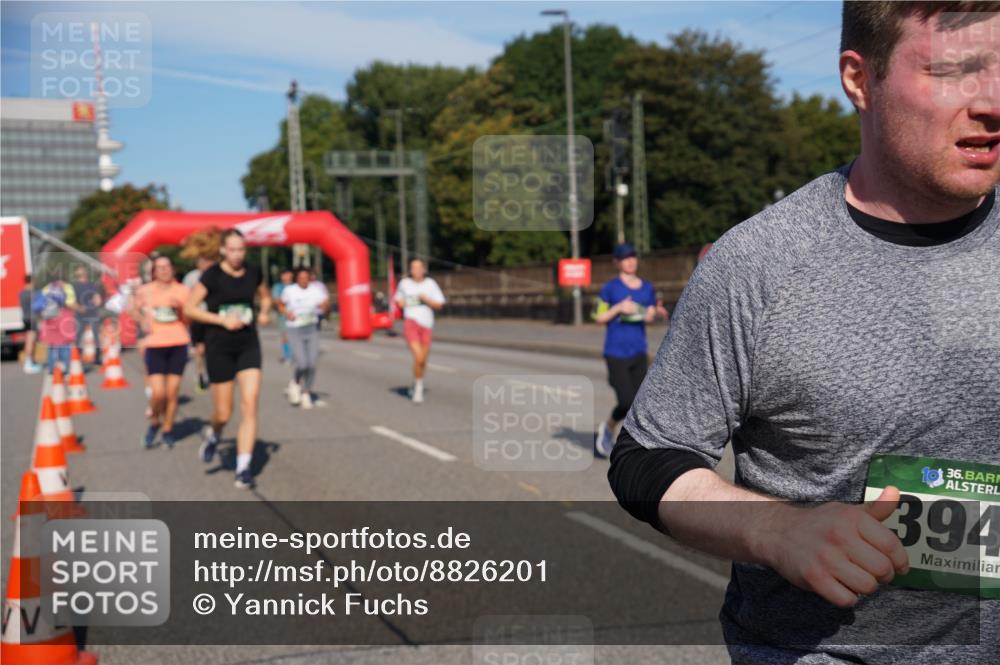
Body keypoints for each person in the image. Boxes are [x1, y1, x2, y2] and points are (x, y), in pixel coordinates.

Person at [608, 3, 1000, 663]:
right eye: (956, 71)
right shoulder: (759, 264)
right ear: (859, 79)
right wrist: (776, 531)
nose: (991, 101)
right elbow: (647, 457)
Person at [184, 229, 271, 489]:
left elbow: (265, 296)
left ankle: (243, 468)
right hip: (219, 346)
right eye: (232, 250)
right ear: (222, 250)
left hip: (248, 344)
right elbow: (189, 309)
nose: (237, 255)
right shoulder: (211, 276)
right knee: (223, 413)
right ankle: (214, 434)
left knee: (250, 402)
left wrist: (265, 311)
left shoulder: (254, 272)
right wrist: (222, 320)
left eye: (241, 250)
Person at [592, 243, 667, 458]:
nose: (630, 261)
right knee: (626, 401)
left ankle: (632, 446)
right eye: (625, 258)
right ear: (617, 262)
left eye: (633, 256)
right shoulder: (610, 288)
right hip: (615, 352)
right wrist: (618, 308)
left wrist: (657, 314)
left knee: (638, 403)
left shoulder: (647, 288)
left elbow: (650, 315)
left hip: (638, 351)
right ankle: (607, 428)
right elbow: (599, 317)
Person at [131, 255, 190, 449]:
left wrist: (181, 308)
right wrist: (142, 319)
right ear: (154, 271)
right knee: (158, 393)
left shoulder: (183, 291)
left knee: (172, 393)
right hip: (155, 344)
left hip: (178, 342)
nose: (164, 270)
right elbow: (131, 309)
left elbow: (190, 318)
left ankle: (167, 429)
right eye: (160, 267)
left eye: (167, 266)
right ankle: (155, 421)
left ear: (173, 269)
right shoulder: (145, 291)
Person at [275, 267, 330, 409]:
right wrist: (287, 313)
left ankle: (306, 392)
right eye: (301, 278)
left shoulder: (315, 290)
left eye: (307, 278)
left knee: (312, 363)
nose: (304, 281)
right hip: (295, 328)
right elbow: (280, 303)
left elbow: (325, 303)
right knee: (302, 363)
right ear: (296, 279)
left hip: (312, 328)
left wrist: (324, 307)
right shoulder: (290, 291)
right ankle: (295, 380)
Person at [393, 258, 445, 404]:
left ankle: (416, 383)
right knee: (419, 356)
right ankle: (418, 389)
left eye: (418, 268)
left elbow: (439, 304)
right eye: (412, 268)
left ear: (424, 270)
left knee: (423, 361)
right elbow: (398, 300)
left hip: (427, 324)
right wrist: (401, 303)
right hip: (411, 322)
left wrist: (426, 299)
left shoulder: (430, 284)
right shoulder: (405, 284)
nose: (415, 271)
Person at [182, 255, 215, 393]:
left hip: (214, 317)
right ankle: (200, 374)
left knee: (213, 349)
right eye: (202, 261)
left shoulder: (217, 275)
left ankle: (215, 374)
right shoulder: (191, 278)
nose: (205, 264)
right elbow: (184, 297)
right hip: (198, 318)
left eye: (208, 260)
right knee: (200, 350)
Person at [33, 275, 77, 373]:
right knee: (64, 345)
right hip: (62, 319)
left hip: (48, 320)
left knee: (51, 346)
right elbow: (70, 303)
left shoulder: (46, 288)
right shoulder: (67, 287)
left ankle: (51, 368)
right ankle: (67, 368)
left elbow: (38, 305)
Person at [71, 265, 105, 367]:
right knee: (78, 336)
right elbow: (71, 301)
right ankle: (77, 357)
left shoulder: (92, 285)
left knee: (96, 336)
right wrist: (79, 308)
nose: (84, 275)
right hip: (80, 314)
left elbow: (97, 298)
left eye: (84, 273)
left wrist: (97, 302)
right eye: (81, 273)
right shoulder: (74, 286)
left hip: (92, 313)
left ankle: (98, 358)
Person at [18, 274, 41, 374]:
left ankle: (31, 361)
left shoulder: (21, 293)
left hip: (25, 318)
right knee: (31, 341)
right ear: (32, 281)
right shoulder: (34, 293)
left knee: (29, 339)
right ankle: (29, 362)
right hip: (33, 319)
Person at [272, 269, 294, 364]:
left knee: (295, 336)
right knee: (285, 336)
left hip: (296, 314)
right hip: (283, 315)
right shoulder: (278, 287)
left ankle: (296, 355)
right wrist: (285, 312)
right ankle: (287, 356)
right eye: (285, 275)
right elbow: (277, 301)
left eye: (289, 274)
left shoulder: (295, 286)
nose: (288, 276)